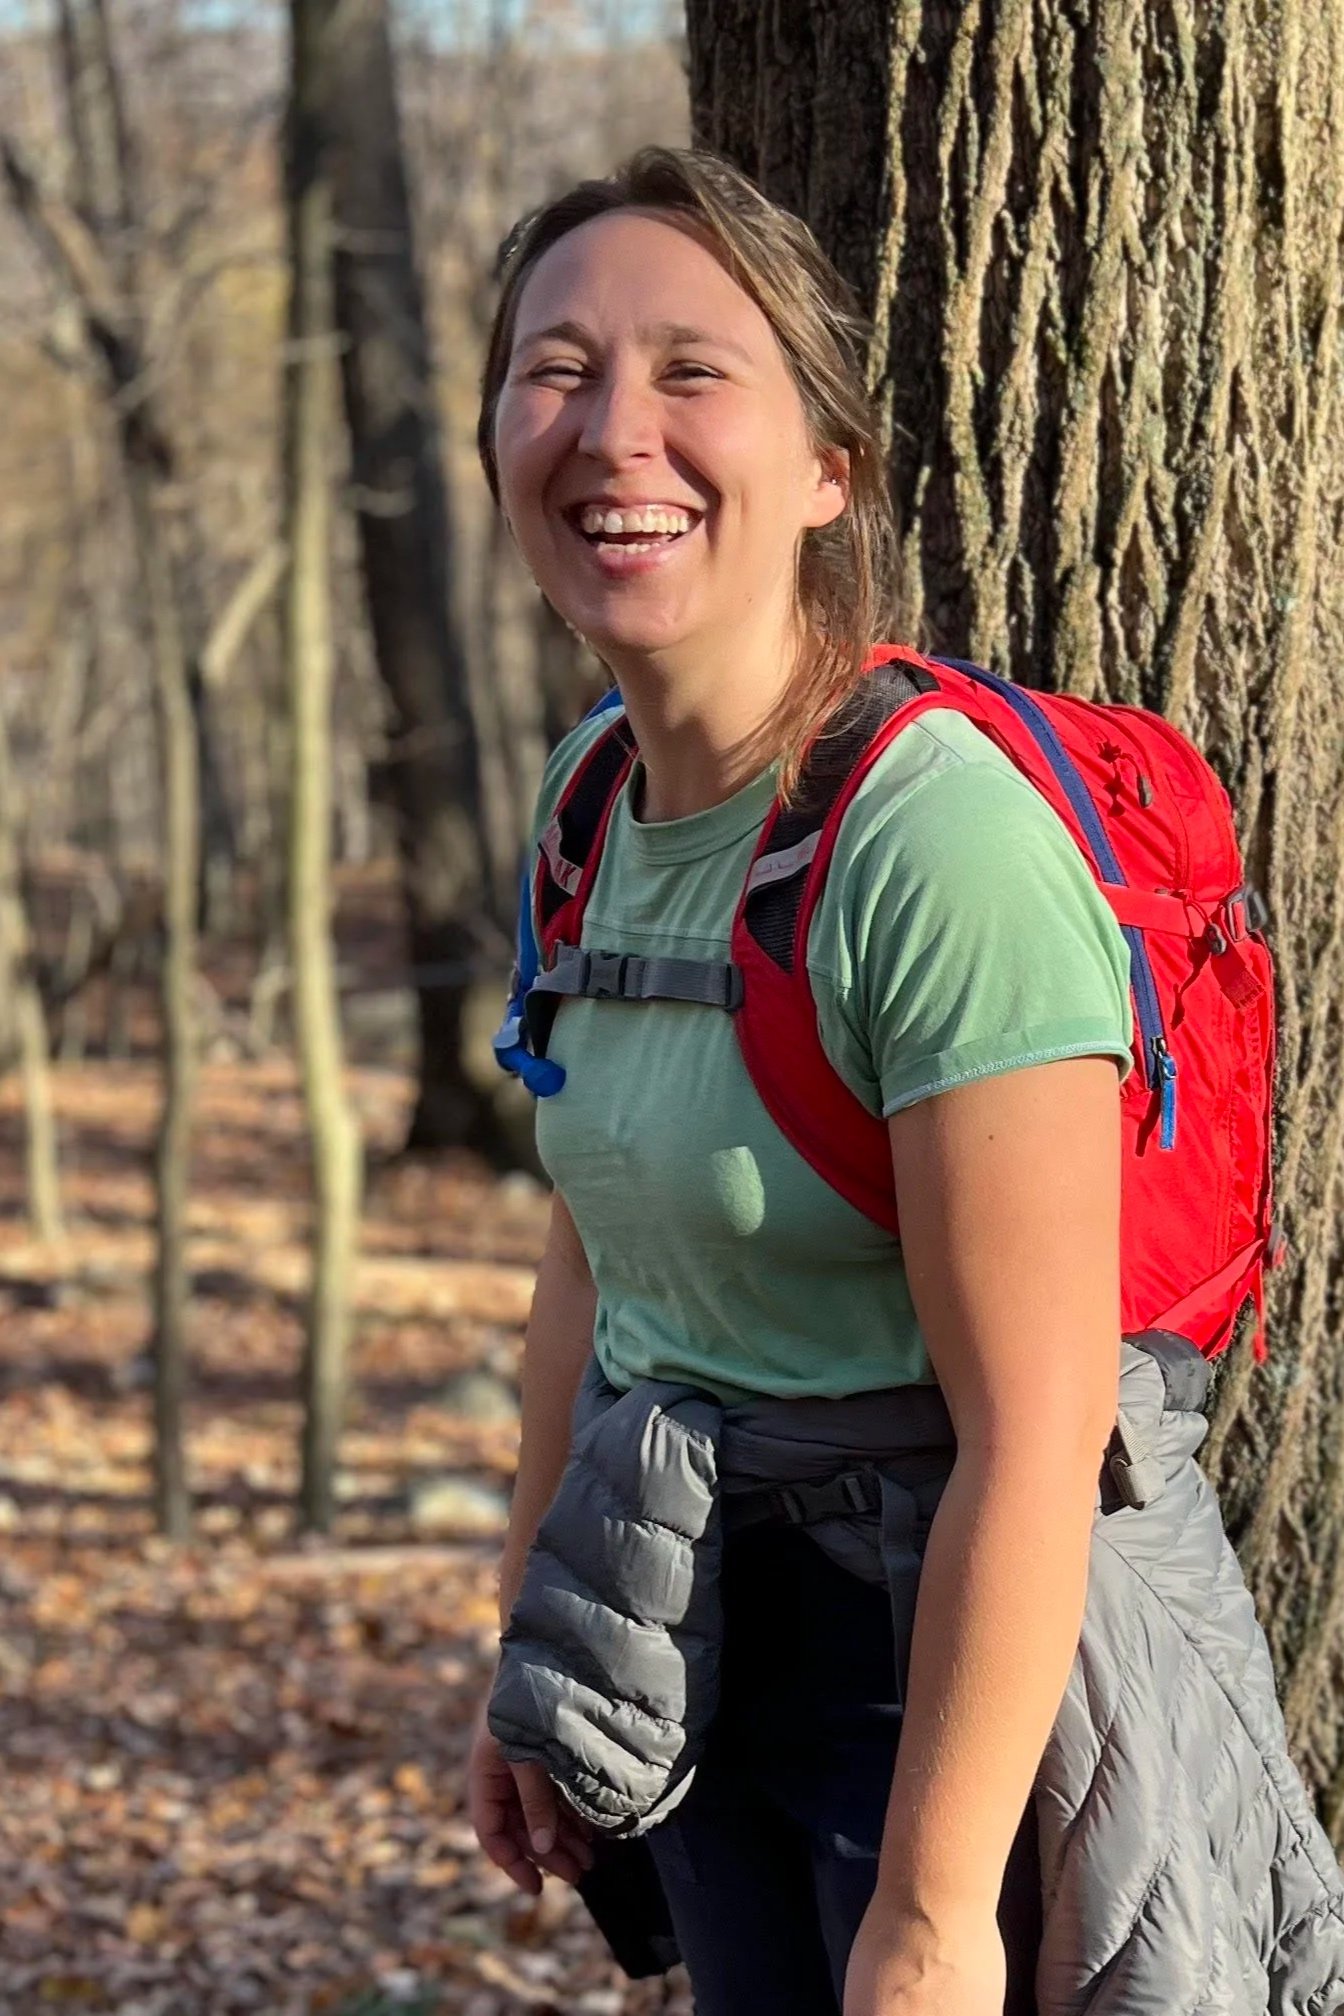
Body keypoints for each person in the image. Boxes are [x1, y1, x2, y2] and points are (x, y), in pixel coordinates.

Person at [463, 149, 1344, 2016]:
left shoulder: (930, 844)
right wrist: (536, 1655)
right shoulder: (589, 803)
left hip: (939, 1686)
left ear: (828, 470)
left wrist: (937, 1916)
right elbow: (596, 1257)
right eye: (558, 370)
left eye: (694, 371)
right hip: (695, 1634)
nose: (615, 432)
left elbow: (1038, 1426)